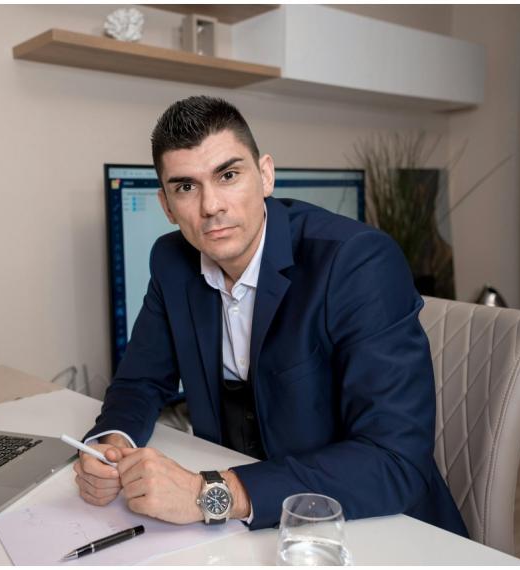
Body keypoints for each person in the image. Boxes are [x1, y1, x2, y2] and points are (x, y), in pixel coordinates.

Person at [73, 95, 467, 535]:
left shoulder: (357, 263)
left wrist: (212, 493)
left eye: (228, 175)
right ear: (166, 205)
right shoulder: (172, 261)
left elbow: (394, 460)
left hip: (373, 524)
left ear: (265, 175)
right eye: (186, 187)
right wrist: (111, 445)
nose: (211, 206)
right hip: (247, 528)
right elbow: (140, 380)